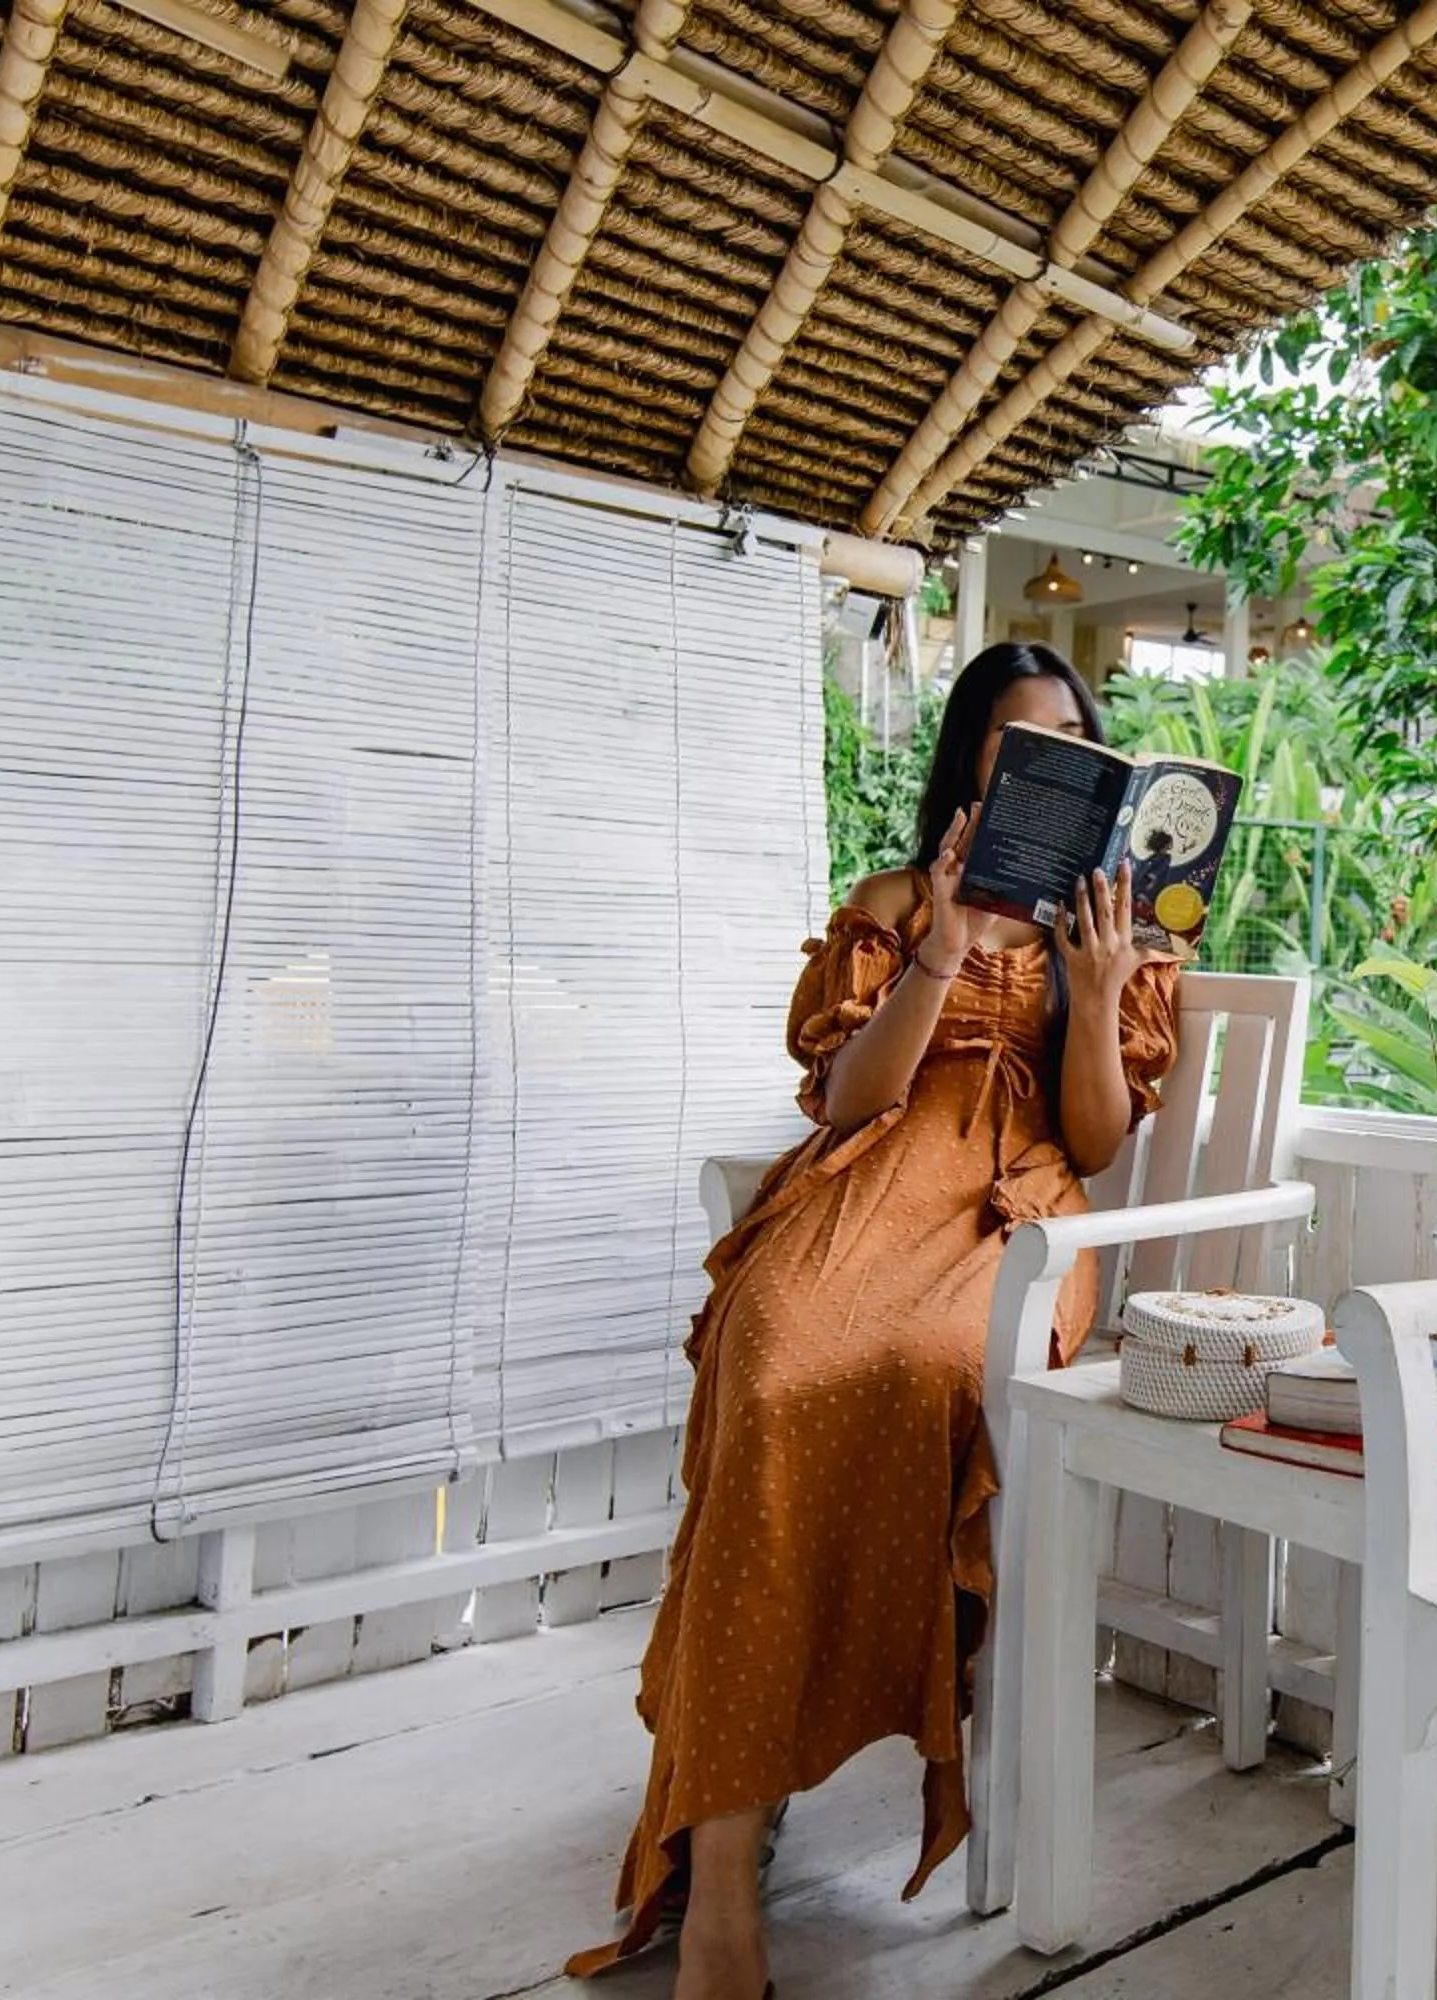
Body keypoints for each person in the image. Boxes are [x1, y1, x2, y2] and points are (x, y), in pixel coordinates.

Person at [568, 643, 1182, 2000]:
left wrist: (1093, 990)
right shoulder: (895, 905)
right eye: (1020, 744)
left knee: (920, 1368)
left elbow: (1095, 1143)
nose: (1048, 765)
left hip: (1015, 1219)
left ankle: (777, 1754)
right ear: (976, 764)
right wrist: (945, 947)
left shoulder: (1122, 943)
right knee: (776, 1375)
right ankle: (722, 1872)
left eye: (1076, 744)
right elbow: (854, 1102)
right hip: (865, 1190)